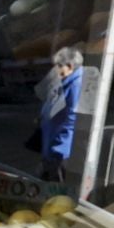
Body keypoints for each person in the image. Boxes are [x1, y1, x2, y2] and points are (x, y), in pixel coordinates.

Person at [38, 47, 83, 185]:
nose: (56, 70)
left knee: (54, 185)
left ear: (69, 66)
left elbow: (73, 116)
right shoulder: (66, 80)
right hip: (52, 144)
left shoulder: (76, 84)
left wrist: (59, 140)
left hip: (60, 148)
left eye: (58, 66)